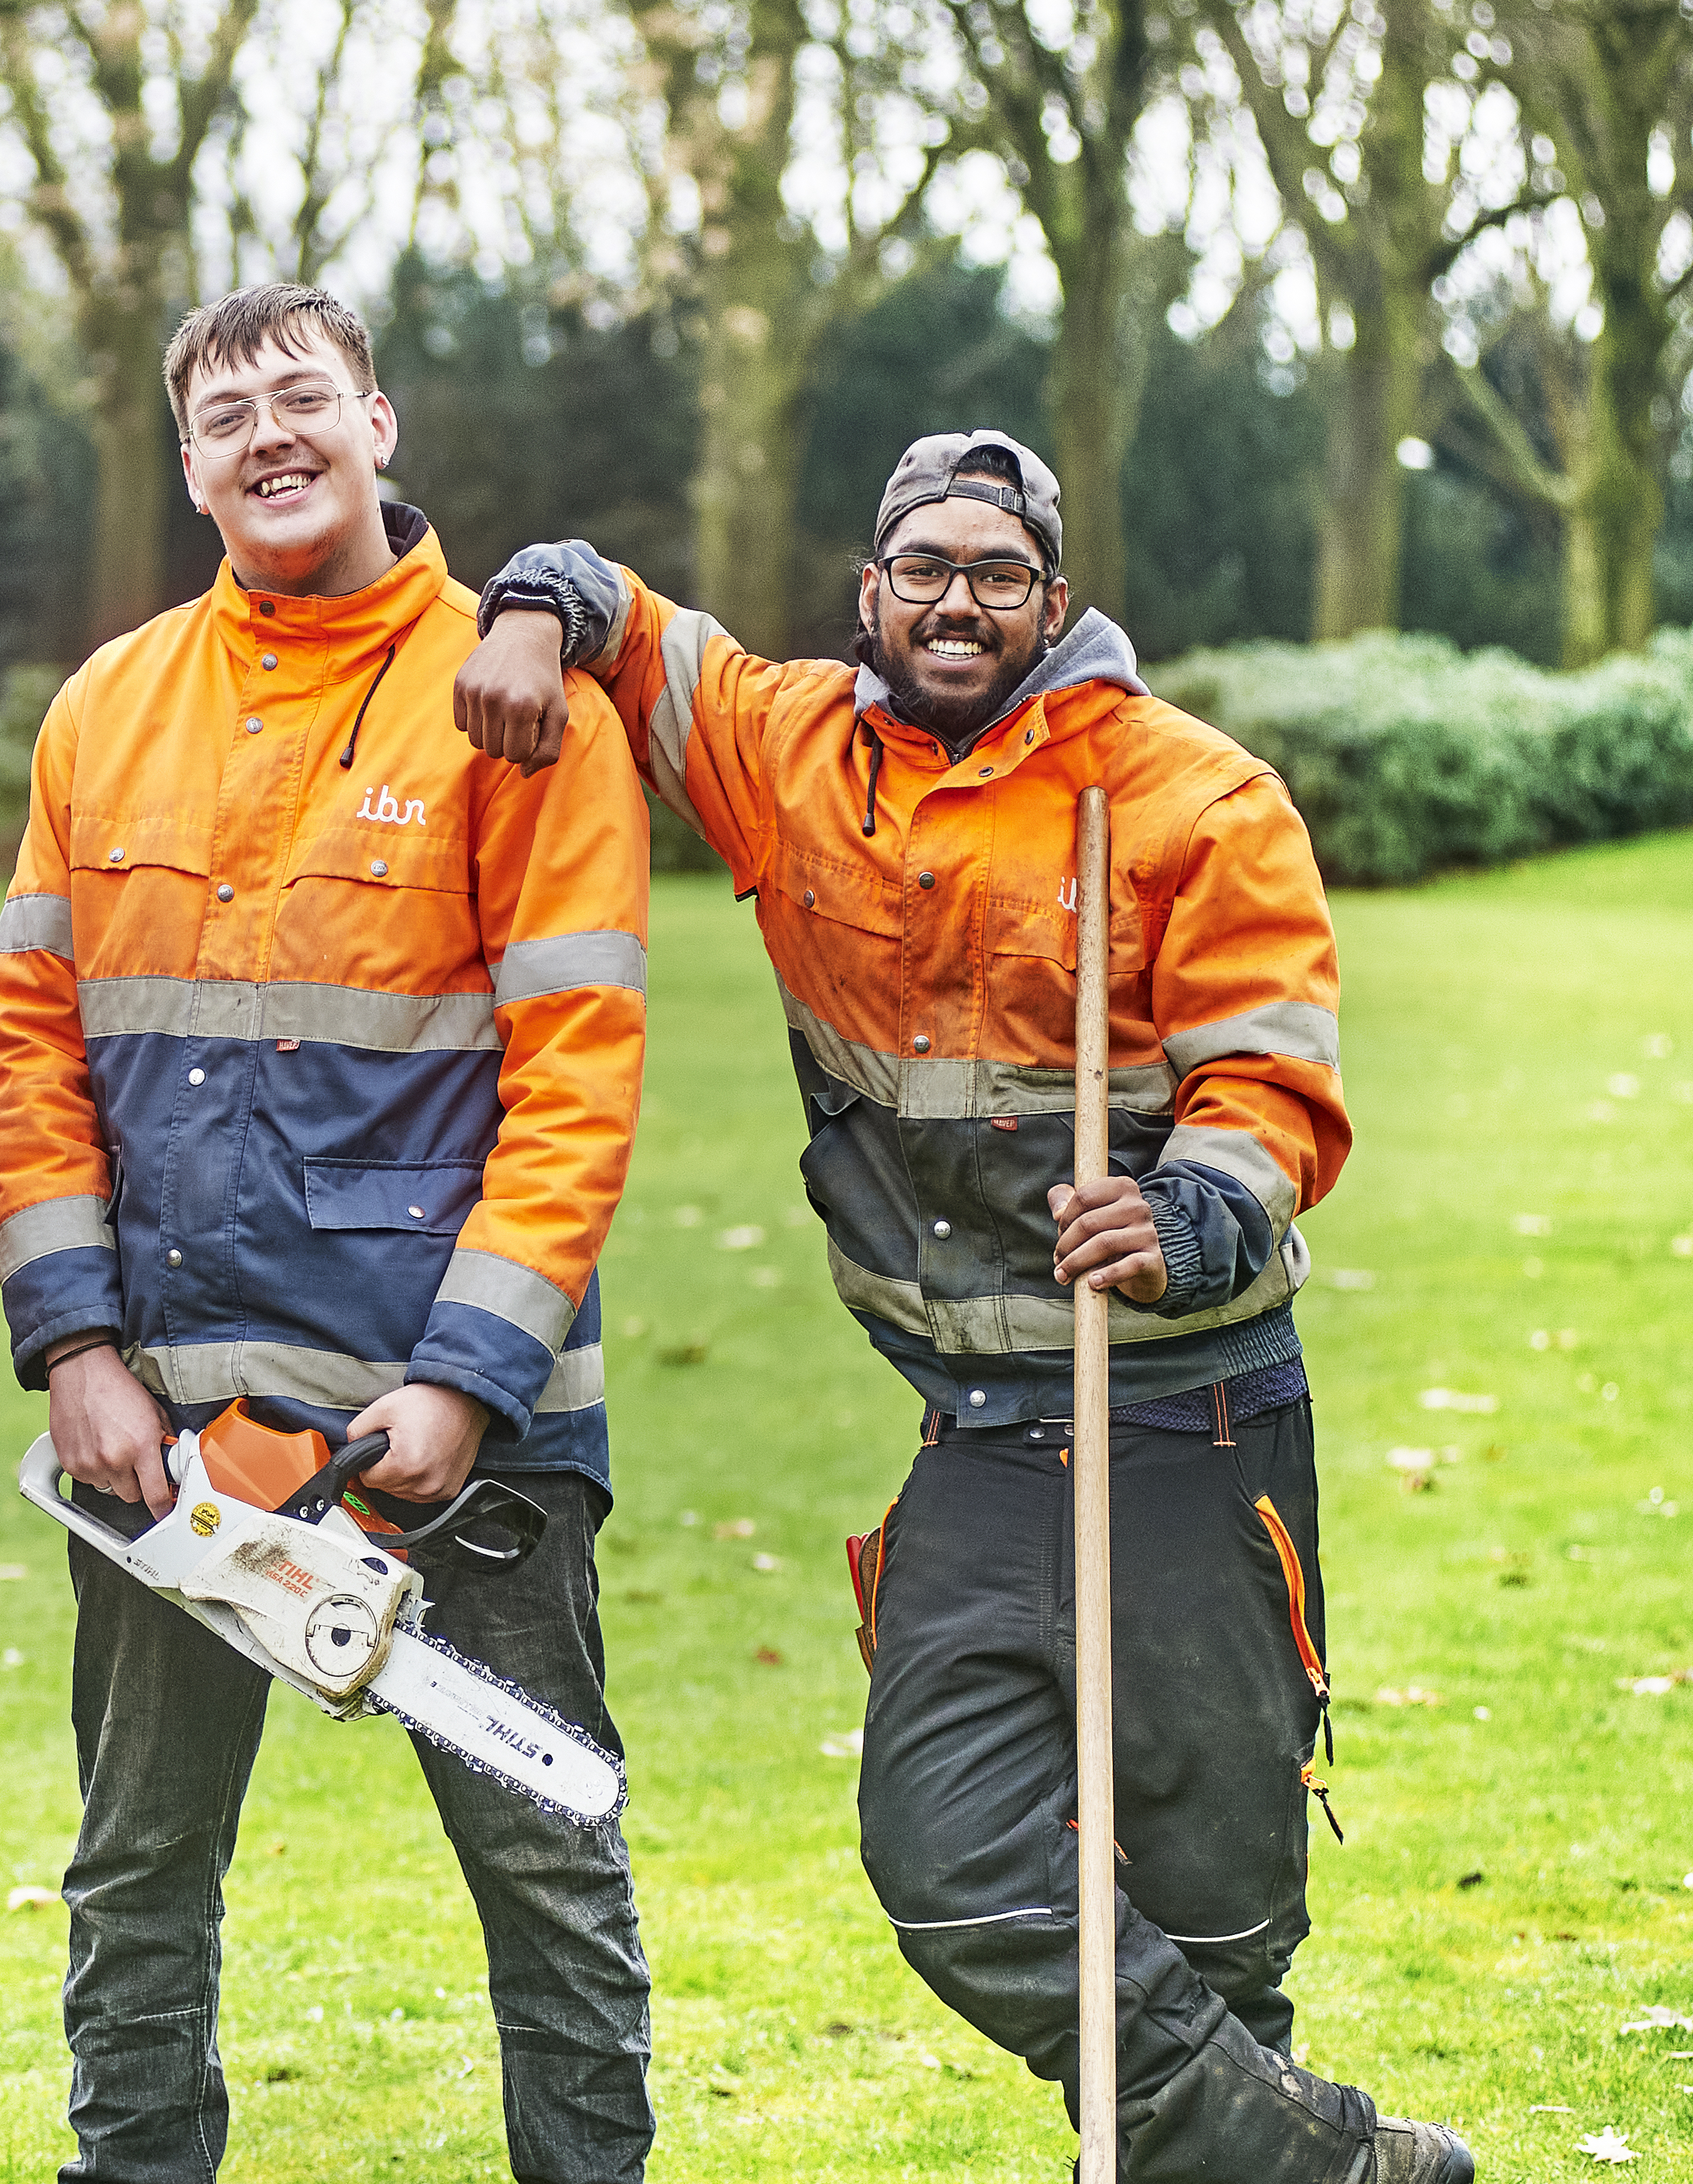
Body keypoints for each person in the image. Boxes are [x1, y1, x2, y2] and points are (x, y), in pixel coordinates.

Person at [449, 430, 1471, 2182]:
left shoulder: (1191, 797)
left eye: (997, 574)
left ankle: (1240, 2140)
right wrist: (532, 614)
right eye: (921, 565)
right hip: (981, 1432)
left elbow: (1270, 1083)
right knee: (946, 1860)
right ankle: (1326, 2163)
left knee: (1218, 1910)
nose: (955, 601)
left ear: (1053, 603)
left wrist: (1188, 1211)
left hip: (1182, 1411)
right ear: (867, 589)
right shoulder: (784, 747)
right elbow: (624, 614)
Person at [0, 283, 658, 2184]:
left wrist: (465, 1382)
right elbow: (25, 1051)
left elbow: (577, 1064)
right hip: (164, 1419)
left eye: (301, 396)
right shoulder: (105, 707)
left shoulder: (513, 701)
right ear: (188, 465)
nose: (265, 433)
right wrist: (76, 1349)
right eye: (222, 412)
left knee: (546, 1866)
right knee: (135, 1877)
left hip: (456, 1435)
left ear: (379, 420)